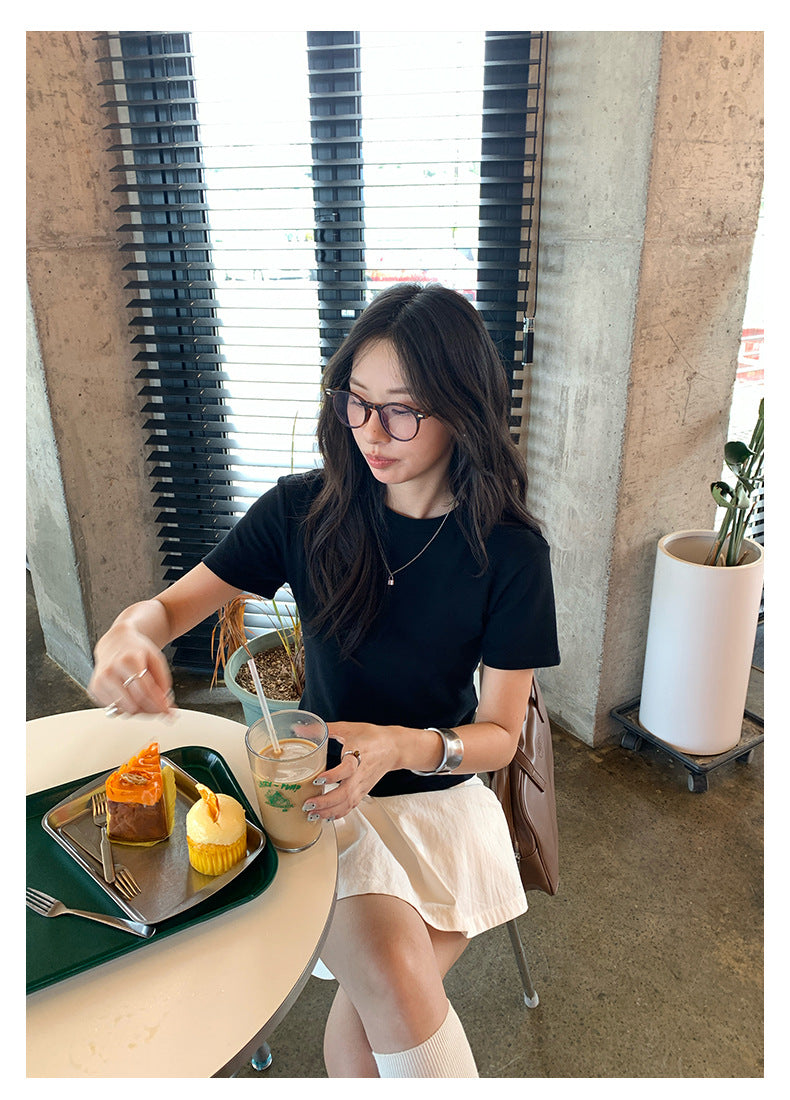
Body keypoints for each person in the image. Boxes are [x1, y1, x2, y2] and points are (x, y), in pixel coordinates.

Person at [89, 282, 560, 1078]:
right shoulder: (306, 510)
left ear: (464, 409)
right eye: (357, 402)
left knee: (359, 1036)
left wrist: (402, 746)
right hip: (324, 797)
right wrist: (128, 633)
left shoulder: (510, 552)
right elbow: (166, 611)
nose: (370, 431)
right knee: (386, 991)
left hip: (440, 796)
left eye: (402, 411)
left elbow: (499, 737)